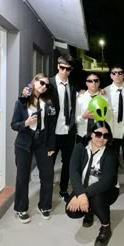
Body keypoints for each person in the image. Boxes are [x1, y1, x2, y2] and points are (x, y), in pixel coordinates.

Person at [11, 73, 56, 223]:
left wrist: (51, 145)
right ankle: (21, 208)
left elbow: (50, 126)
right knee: (23, 177)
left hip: (42, 141)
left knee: (48, 175)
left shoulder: (48, 102)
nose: (44, 87)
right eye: (41, 83)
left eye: (46, 85)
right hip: (24, 142)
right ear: (34, 82)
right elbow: (14, 124)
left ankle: (44, 206)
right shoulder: (22, 102)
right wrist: (26, 123)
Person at [66, 121, 119, 246]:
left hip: (107, 190)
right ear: (91, 134)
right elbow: (73, 172)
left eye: (105, 136)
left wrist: (83, 195)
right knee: (71, 210)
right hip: (85, 187)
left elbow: (106, 182)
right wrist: (80, 193)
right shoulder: (80, 148)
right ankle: (89, 210)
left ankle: (106, 227)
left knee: (97, 198)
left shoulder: (110, 154)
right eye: (98, 134)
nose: (101, 138)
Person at [104, 64, 124, 201]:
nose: (117, 75)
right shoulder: (105, 91)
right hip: (113, 132)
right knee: (113, 160)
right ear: (111, 75)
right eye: (114, 73)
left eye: (120, 73)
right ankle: (114, 185)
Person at [49, 54, 77, 202]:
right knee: (49, 163)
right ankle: (46, 190)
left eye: (68, 69)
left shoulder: (73, 87)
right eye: (62, 68)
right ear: (57, 66)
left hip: (68, 132)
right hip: (52, 133)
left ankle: (63, 189)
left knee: (67, 162)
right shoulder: (49, 84)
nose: (65, 71)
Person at [75, 72, 110, 143]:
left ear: (99, 82)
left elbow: (109, 118)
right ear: (86, 83)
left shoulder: (105, 98)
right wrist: (83, 117)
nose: (93, 83)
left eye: (96, 80)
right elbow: (75, 120)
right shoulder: (80, 98)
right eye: (90, 81)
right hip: (82, 135)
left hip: (99, 136)